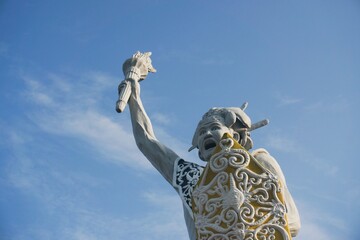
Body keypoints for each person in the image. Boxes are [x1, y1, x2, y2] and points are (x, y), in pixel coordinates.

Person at [118, 52, 300, 240]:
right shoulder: (191, 178)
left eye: (214, 128)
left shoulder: (260, 162)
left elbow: (292, 221)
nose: (206, 134)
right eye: (202, 132)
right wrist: (134, 97)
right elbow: (146, 142)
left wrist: (250, 226)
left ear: (235, 134)